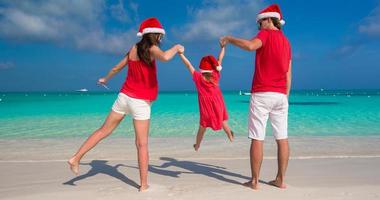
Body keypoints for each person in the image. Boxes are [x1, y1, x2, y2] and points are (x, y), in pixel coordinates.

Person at [67, 17, 184, 192]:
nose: (161, 38)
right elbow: (166, 57)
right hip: (140, 102)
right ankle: (143, 185)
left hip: (124, 97)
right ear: (156, 35)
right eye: (160, 35)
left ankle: (76, 158)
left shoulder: (133, 49)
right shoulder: (152, 49)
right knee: (141, 144)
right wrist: (177, 47)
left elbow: (116, 68)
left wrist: (105, 79)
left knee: (103, 131)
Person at [220, 4, 292, 189]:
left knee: (257, 138)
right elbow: (288, 73)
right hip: (281, 95)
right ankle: (281, 180)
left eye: (260, 23)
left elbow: (250, 46)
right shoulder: (286, 42)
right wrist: (286, 96)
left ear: (268, 20)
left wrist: (229, 39)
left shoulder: (265, 34)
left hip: (262, 93)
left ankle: (254, 182)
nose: (259, 27)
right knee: (282, 138)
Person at [178, 46, 234, 151]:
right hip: (218, 103)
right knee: (223, 121)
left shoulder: (198, 77)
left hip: (206, 106)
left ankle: (197, 145)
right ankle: (230, 136)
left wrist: (180, 54)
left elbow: (188, 65)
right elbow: (219, 59)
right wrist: (223, 47)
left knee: (202, 127)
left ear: (202, 68)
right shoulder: (215, 75)